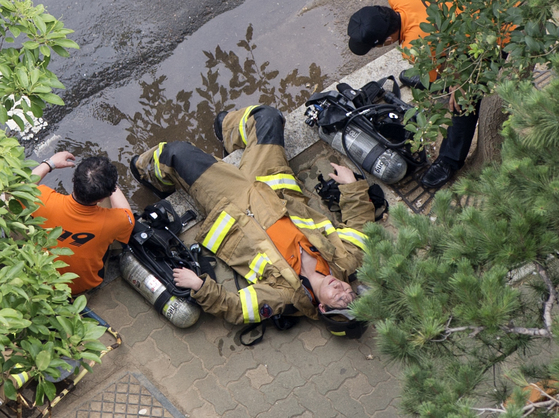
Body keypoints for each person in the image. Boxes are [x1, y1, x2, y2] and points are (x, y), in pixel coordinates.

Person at [130, 105, 375, 336]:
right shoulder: (348, 261)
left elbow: (236, 309)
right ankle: (226, 132)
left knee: (174, 153)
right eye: (348, 292)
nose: (340, 288)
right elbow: (360, 226)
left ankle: (148, 174)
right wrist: (351, 187)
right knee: (267, 117)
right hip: (271, 185)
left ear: (322, 308)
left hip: (232, 203)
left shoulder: (284, 297)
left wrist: (200, 287)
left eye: (338, 297)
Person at [347, 3, 480, 189]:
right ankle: (430, 74)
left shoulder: (414, 44)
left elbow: (451, 61)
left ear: (387, 40)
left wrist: (457, 84)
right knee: (435, 65)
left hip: (486, 41)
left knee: (463, 101)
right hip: (468, 14)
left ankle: (450, 160)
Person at [32, 153, 135, 295]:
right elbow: (128, 215)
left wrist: (50, 163)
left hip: (40, 279)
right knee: (119, 229)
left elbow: (16, 189)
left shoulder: (44, 199)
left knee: (20, 209)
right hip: (83, 285)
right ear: (103, 196)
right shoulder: (117, 221)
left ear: (74, 179)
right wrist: (109, 184)